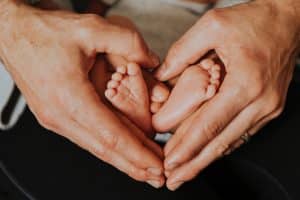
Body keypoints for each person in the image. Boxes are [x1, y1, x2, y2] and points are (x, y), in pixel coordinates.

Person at [0, 0, 299, 197]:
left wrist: (288, 13)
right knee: (118, 34)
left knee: (183, 58)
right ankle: (162, 103)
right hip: (137, 14)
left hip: (242, 19)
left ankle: (163, 107)